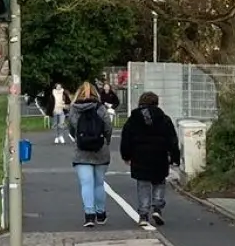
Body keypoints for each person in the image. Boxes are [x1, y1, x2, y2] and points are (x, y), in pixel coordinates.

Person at [120, 91, 181, 228]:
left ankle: (143, 214)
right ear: (156, 103)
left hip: (139, 156)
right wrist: (175, 156)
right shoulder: (164, 119)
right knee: (159, 181)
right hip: (159, 155)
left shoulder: (133, 119)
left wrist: (126, 155)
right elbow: (172, 139)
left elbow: (126, 138)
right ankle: (157, 207)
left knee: (143, 185)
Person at [67, 81, 113, 227]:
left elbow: (72, 129)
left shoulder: (74, 109)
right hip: (100, 150)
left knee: (86, 184)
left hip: (81, 151)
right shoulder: (100, 108)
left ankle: (89, 215)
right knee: (99, 184)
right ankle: (101, 213)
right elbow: (108, 127)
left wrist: (79, 138)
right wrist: (106, 141)